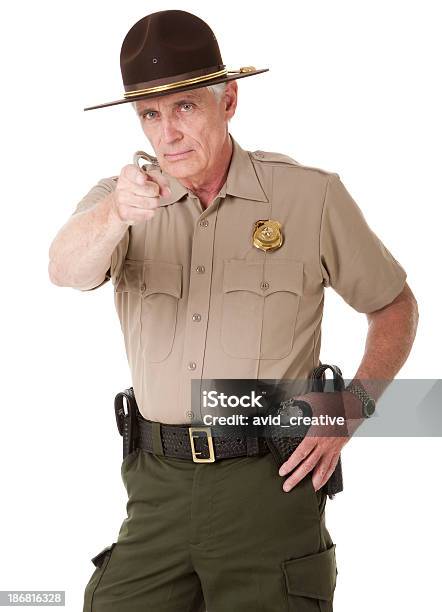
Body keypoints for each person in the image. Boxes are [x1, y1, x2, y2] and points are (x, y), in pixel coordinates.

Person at [48, 9, 419, 612]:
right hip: (155, 486)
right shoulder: (120, 202)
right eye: (150, 114)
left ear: (229, 100)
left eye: (186, 107)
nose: (167, 133)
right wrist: (116, 213)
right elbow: (64, 268)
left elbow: (394, 305)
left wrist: (351, 407)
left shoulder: (310, 196)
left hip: (271, 484)